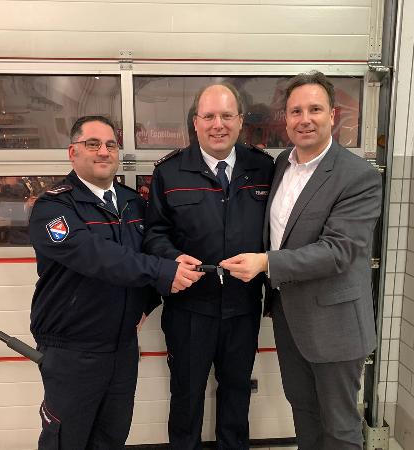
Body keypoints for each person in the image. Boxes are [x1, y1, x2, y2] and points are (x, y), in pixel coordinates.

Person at [221, 71, 382, 450]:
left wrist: (266, 263)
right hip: (290, 319)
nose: (304, 119)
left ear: (333, 115)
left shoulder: (358, 176)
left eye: (315, 109)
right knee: (304, 412)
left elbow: (339, 251)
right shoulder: (282, 164)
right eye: (296, 111)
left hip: (335, 323)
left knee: (339, 427)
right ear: (286, 118)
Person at [28, 115, 202, 450]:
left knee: (112, 436)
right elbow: (97, 256)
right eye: (92, 144)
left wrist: (148, 299)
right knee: (67, 440)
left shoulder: (132, 203)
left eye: (110, 144)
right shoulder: (53, 207)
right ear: (73, 152)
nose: (103, 151)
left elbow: (150, 251)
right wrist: (162, 271)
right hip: (72, 349)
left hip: (122, 348)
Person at [143, 83, 274, 449]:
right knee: (186, 396)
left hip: (243, 307)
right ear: (196, 122)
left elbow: (279, 230)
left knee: (237, 393)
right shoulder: (170, 172)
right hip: (189, 308)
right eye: (210, 116)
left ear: (241, 121)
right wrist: (171, 258)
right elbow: (154, 233)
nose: (219, 124)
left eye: (227, 115)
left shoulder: (263, 168)